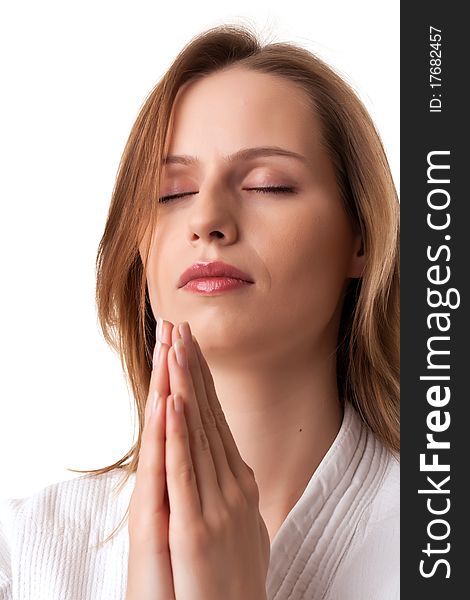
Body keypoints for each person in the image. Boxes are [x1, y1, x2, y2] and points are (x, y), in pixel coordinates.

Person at [0, 23, 399, 600]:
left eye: (267, 185)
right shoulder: (23, 557)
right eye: (170, 194)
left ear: (361, 236)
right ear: (141, 246)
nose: (206, 218)